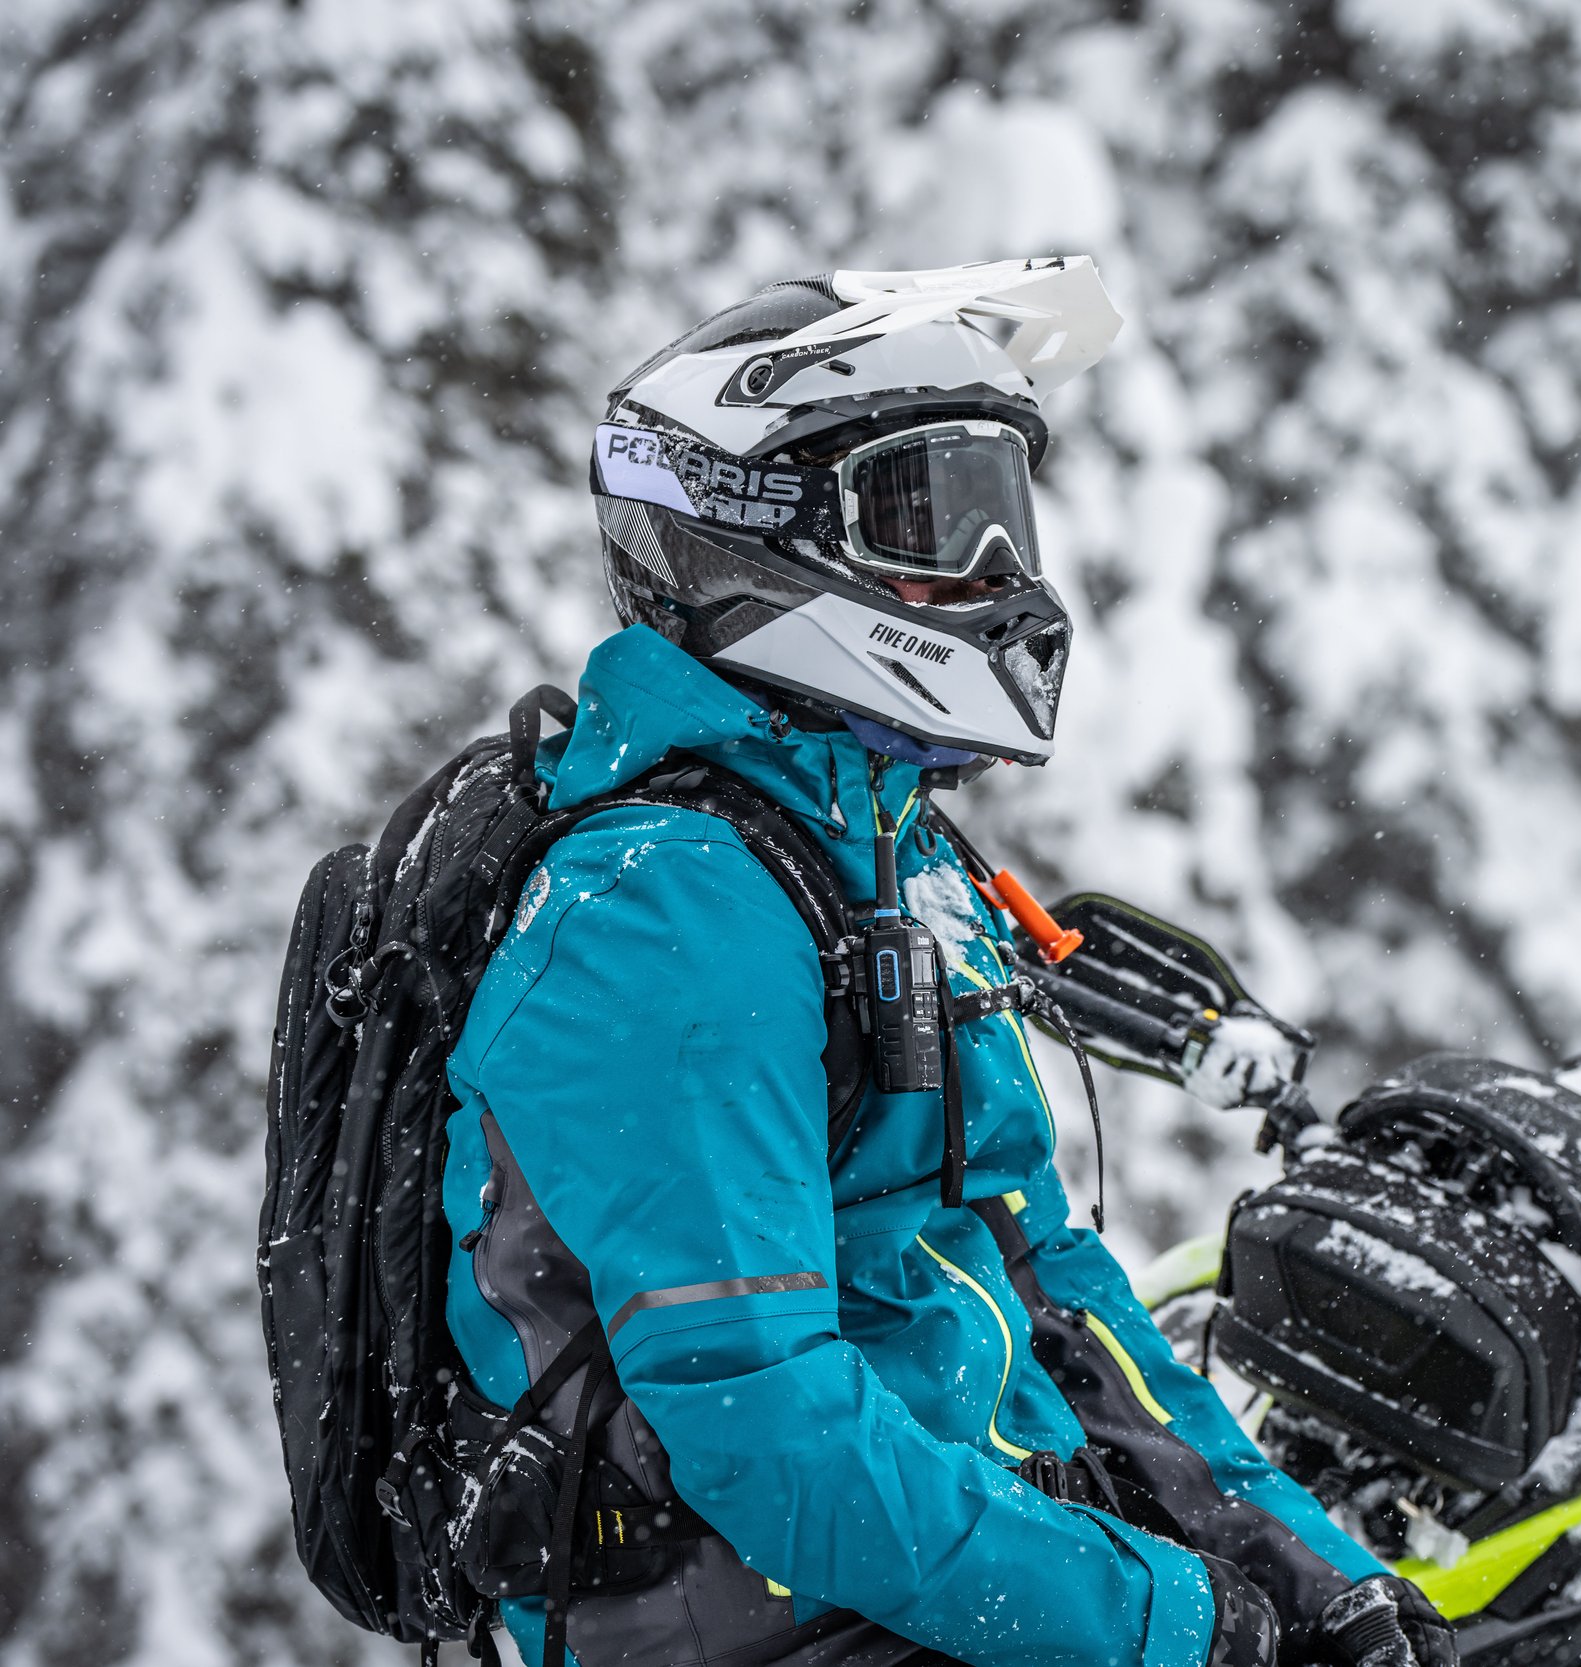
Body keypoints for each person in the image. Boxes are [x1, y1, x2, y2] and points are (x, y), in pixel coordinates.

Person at [440, 259, 1456, 1667]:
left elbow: (1052, 1285)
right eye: (931, 518)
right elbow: (771, 1435)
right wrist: (1168, 1623)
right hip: (759, 1635)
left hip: (936, 1591)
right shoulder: (662, 916)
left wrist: (1298, 1565)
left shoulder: (880, 856)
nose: (997, 580)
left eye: (1003, 521)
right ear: (753, 537)